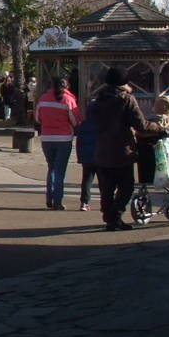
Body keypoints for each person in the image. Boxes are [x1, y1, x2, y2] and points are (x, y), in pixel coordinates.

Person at [89, 66, 148, 232]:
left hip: (102, 149)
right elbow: (141, 125)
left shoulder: (97, 100)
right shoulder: (126, 99)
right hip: (123, 150)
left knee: (106, 189)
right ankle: (115, 215)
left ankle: (109, 217)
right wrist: (159, 127)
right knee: (126, 186)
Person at [35, 76, 82, 209]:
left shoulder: (43, 99)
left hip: (46, 138)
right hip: (63, 138)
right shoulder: (69, 100)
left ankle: (49, 198)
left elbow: (38, 119)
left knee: (52, 169)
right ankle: (57, 201)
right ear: (67, 86)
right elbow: (75, 121)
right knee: (60, 171)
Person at [74, 114, 99, 212]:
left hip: (87, 157)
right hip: (101, 155)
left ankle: (84, 202)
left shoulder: (83, 124)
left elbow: (79, 142)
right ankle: (106, 202)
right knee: (104, 181)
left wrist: (80, 156)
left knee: (86, 180)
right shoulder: (103, 123)